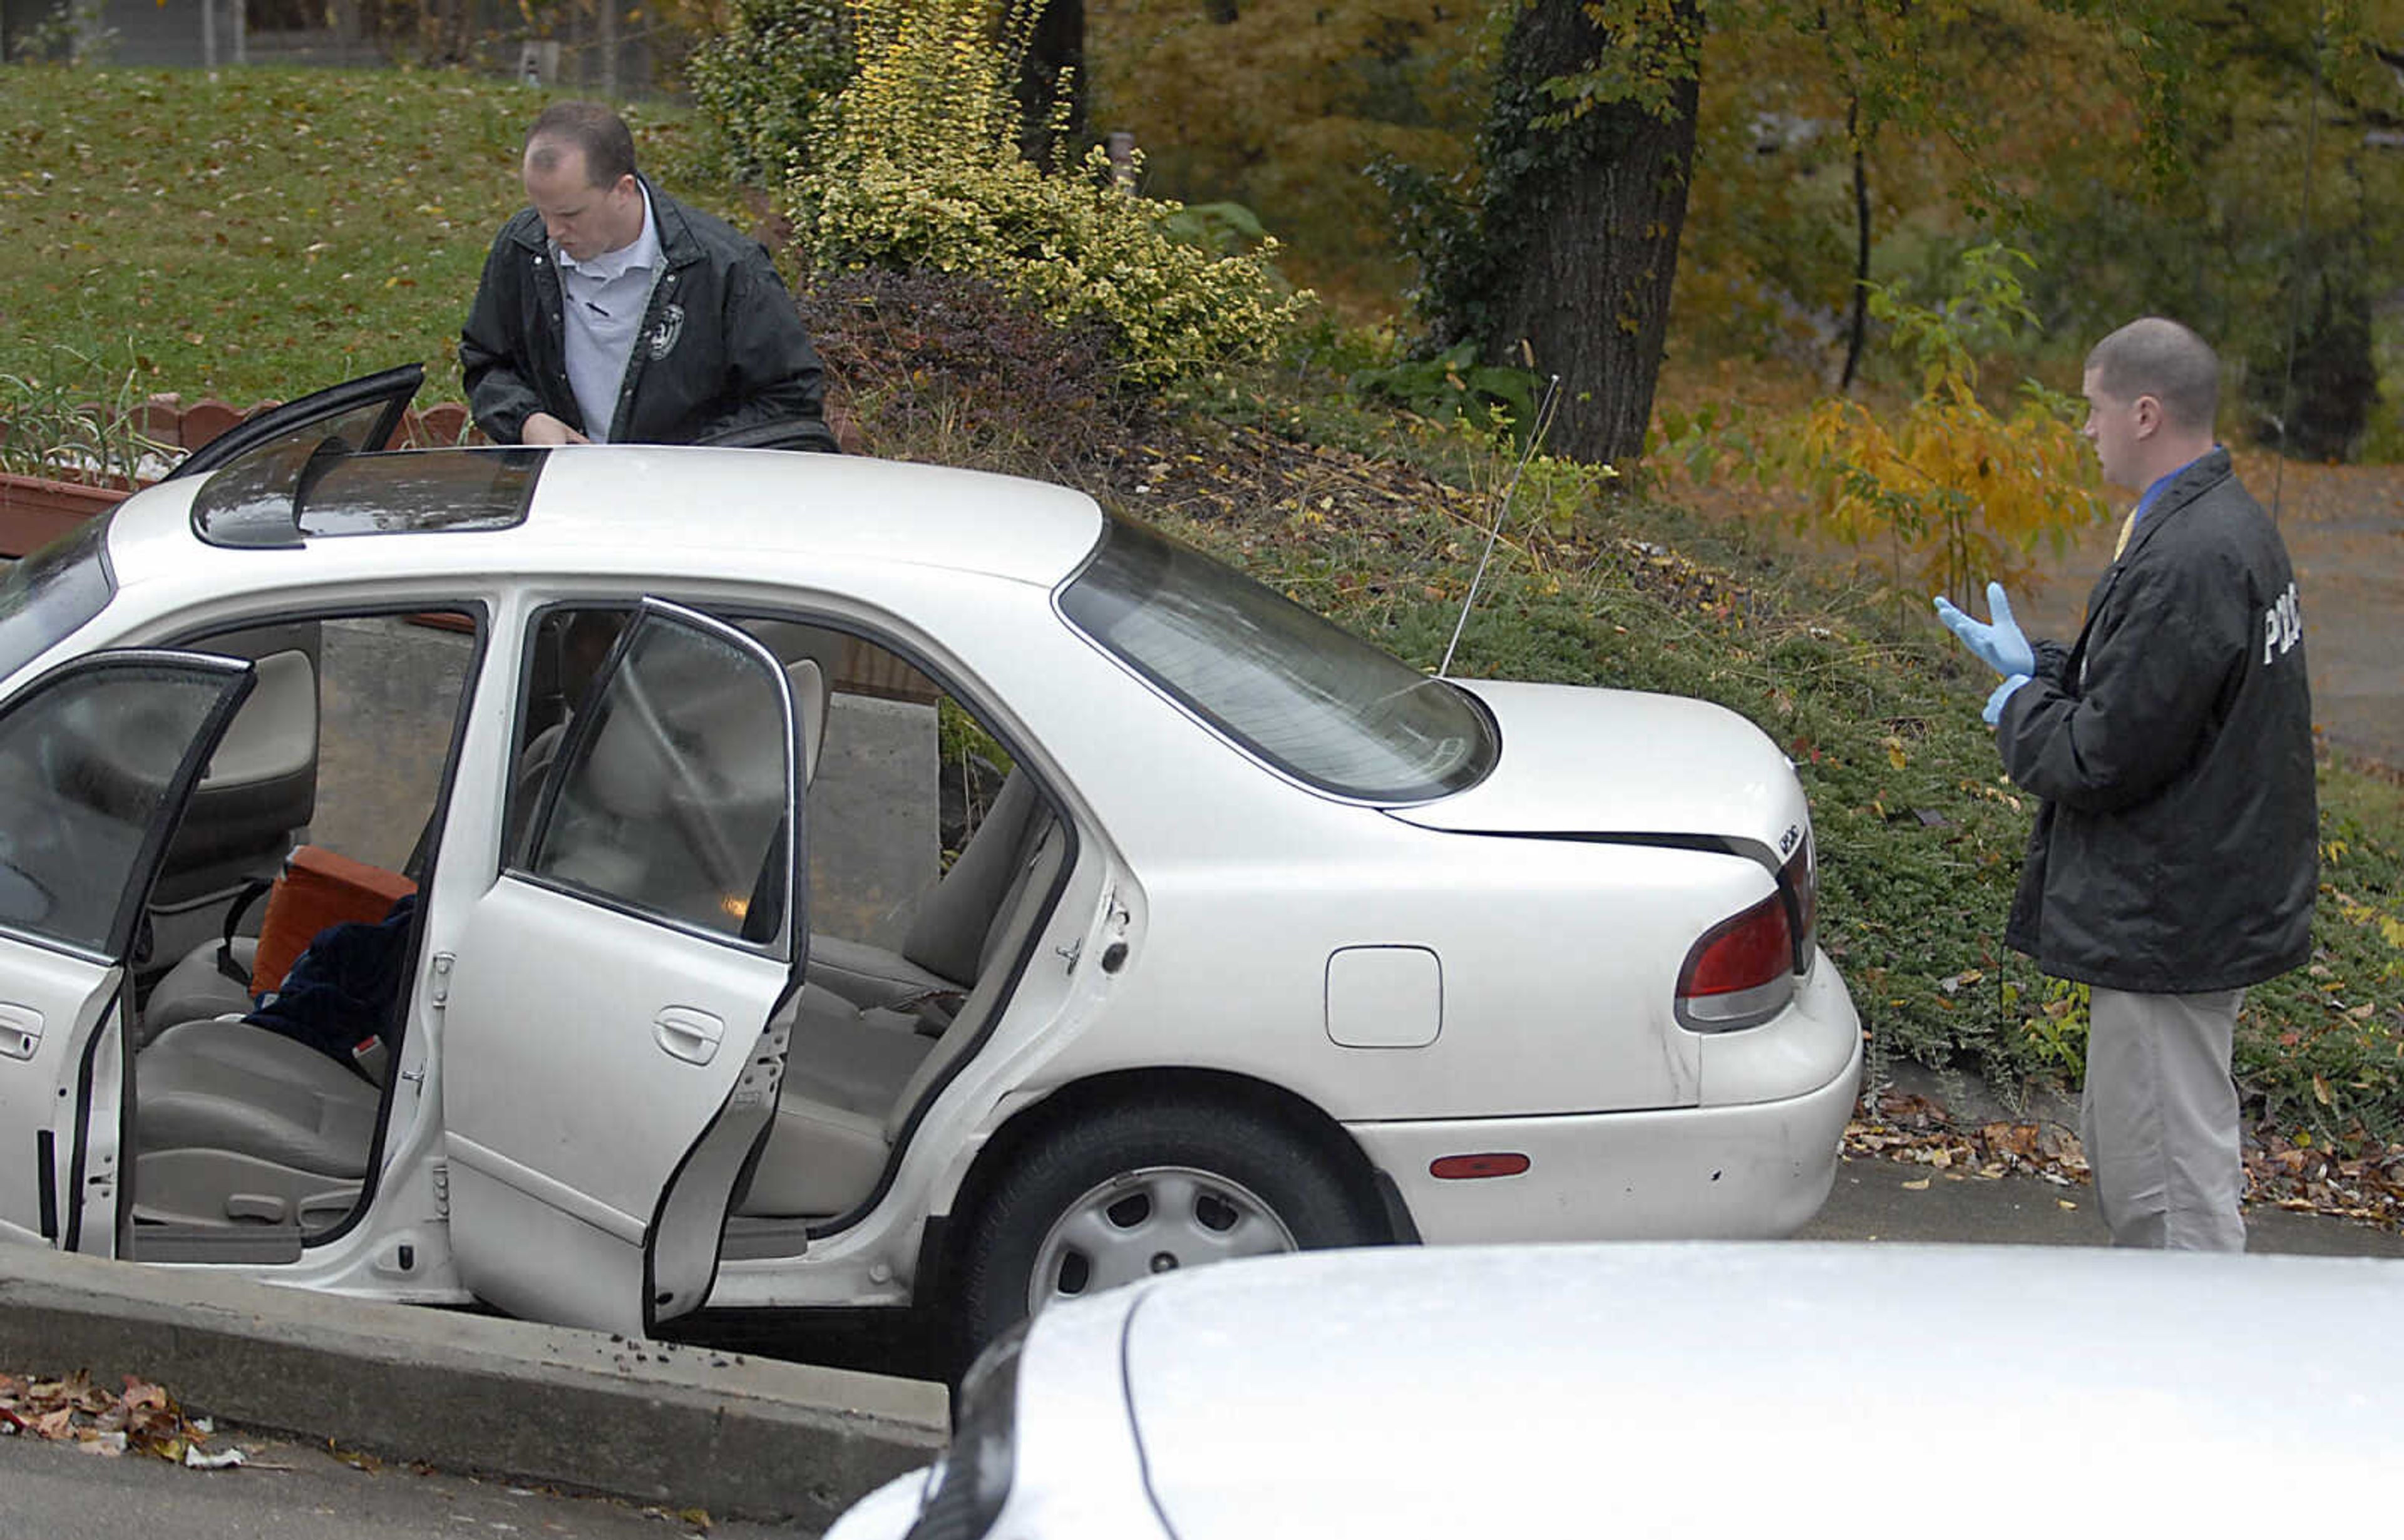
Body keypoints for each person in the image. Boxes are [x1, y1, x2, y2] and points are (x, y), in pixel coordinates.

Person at [1934, 316, 2316, 1251]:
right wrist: (2051, 667)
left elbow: (2101, 757)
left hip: (2170, 916)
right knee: (2155, 1154)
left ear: (2145, 412)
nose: (2085, 430)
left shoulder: (2190, 555)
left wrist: (2024, 707)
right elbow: (2163, 694)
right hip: (2195, 899)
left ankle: (2192, 1374)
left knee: (2168, 1196)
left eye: (2093, 409)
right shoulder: (2222, 521)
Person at [460, 101, 835, 450]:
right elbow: (487, 362)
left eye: (571, 215)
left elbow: (790, 400)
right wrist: (527, 420)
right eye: (542, 210)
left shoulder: (727, 268)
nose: (553, 231)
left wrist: (680, 463)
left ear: (623, 190)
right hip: (564, 497)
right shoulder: (523, 246)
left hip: (691, 501)